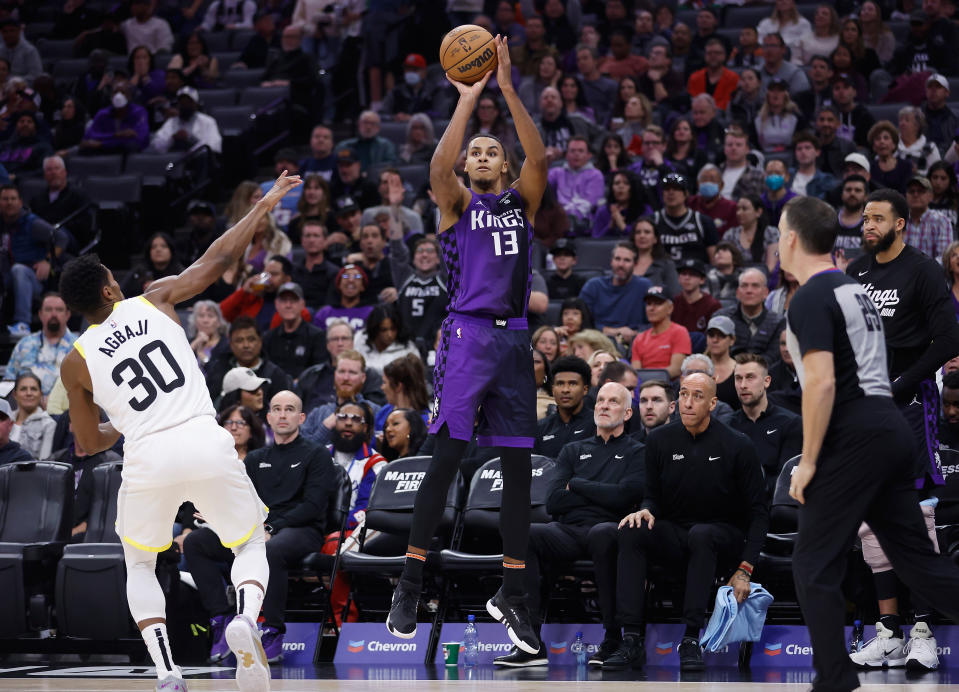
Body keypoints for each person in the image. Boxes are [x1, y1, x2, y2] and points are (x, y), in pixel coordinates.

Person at [57, 172, 301, 690]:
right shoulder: (156, 298)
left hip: (146, 455)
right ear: (108, 288)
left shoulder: (74, 365)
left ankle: (168, 673)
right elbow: (217, 258)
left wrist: (125, 426)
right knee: (250, 542)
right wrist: (261, 206)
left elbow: (87, 444)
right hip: (202, 438)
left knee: (141, 566)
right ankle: (245, 619)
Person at [386, 36, 547, 657]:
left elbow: (538, 154)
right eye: (474, 150)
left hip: (513, 344)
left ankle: (513, 593)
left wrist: (507, 89)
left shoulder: (521, 201)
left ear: (502, 168)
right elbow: (436, 169)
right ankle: (411, 577)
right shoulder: (455, 204)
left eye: (490, 150)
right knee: (447, 456)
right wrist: (469, 98)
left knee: (513, 473)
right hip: (468, 335)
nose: (480, 153)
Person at [779, 194, 959, 692]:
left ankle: (835, 681)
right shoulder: (854, 287)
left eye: (778, 232)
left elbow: (821, 384)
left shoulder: (813, 296)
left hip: (856, 431)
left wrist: (808, 461)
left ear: (791, 239)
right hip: (891, 427)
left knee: (812, 562)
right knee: (919, 564)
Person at [846, 188, 959, 671]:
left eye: (877, 219)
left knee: (917, 516)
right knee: (873, 517)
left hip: (911, 403)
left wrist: (901, 383)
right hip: (864, 409)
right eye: (864, 218)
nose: (867, 225)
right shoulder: (856, 273)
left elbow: (951, 337)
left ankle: (922, 629)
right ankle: (889, 631)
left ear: (901, 225)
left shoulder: (923, 270)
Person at [608, 372, 768, 671]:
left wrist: (745, 568)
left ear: (713, 403)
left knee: (703, 534)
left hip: (723, 535)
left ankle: (692, 637)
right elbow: (652, 496)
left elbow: (759, 512)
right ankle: (630, 638)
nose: (688, 402)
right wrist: (645, 509)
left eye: (697, 396)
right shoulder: (659, 440)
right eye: (683, 394)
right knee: (631, 531)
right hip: (676, 531)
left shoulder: (737, 444)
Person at [184, 390, 337, 664]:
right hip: (258, 529)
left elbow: (313, 507)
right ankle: (222, 617)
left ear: (301, 417)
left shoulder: (316, 455)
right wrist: (219, 515)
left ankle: (274, 630)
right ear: (268, 417)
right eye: (276, 408)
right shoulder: (255, 459)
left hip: (302, 530)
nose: (282, 414)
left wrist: (272, 528)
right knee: (197, 542)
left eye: (289, 409)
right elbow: (240, 500)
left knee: (270, 550)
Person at [510, 382, 645, 668]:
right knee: (527, 533)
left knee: (602, 533)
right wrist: (602, 493)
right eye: (601, 401)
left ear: (628, 412)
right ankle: (530, 640)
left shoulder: (638, 451)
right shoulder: (573, 450)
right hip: (568, 531)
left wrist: (579, 485)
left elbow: (623, 498)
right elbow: (554, 502)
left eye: (613, 402)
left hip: (611, 528)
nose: (604, 406)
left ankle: (613, 637)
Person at [728, 353, 802, 499]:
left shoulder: (790, 423)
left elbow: (785, 479)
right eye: (738, 378)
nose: (743, 385)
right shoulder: (726, 426)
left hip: (773, 506)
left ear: (766, 381)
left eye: (750, 377)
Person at [204, 315, 293, 407]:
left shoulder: (276, 375)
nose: (246, 345)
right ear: (231, 344)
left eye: (251, 339)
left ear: (260, 341)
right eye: (239, 340)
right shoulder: (218, 371)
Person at [300, 349, 382, 446]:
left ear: (363, 378)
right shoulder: (317, 413)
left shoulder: (376, 412)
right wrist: (325, 428)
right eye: (342, 371)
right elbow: (302, 452)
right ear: (335, 375)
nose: (346, 378)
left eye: (352, 372)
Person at [4, 293, 76, 395]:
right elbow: (8, 383)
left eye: (59, 310)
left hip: (66, 408)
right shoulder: (24, 344)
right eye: (48, 309)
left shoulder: (79, 347)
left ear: (67, 315)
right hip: (27, 407)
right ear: (40, 314)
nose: (54, 314)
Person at [580, 242, 651, 345]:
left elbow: (654, 321)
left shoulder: (644, 286)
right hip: (597, 342)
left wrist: (635, 334)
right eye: (617, 259)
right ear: (611, 262)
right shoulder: (593, 286)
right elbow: (581, 321)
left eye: (626, 260)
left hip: (634, 343)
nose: (621, 265)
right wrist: (614, 332)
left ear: (635, 264)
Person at [261, 282, 328, 381]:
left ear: (302, 304)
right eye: (284, 300)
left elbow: (319, 371)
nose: (288, 305)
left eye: (293, 300)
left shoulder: (317, 336)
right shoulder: (268, 338)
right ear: (276, 304)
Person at [533, 355, 595, 460]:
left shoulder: (597, 425)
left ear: (585, 389)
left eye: (572, 384)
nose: (565, 390)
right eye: (560, 384)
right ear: (553, 390)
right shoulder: (540, 428)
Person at [721, 268, 785, 364]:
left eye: (755, 286)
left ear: (766, 293)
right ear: (737, 293)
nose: (749, 290)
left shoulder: (778, 322)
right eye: (744, 286)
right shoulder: (722, 318)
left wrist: (750, 369)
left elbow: (774, 356)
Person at [652, 172, 719, 264]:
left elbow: (714, 259)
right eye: (667, 189)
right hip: (661, 275)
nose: (671, 192)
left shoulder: (703, 221)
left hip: (696, 274)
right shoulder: (652, 221)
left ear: (686, 193)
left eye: (676, 188)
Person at [630, 286, 691, 379]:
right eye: (649, 304)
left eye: (658, 304)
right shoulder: (639, 339)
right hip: (643, 387)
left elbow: (676, 369)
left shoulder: (680, 332)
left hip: (669, 386)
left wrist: (649, 379)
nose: (651, 308)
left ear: (670, 308)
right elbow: (635, 372)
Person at [547, 136, 604, 233]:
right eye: (572, 151)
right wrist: (545, 164)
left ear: (589, 155)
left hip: (584, 223)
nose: (576, 154)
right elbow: (541, 189)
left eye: (581, 151)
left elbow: (589, 203)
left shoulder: (596, 175)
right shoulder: (556, 173)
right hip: (557, 222)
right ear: (566, 155)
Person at [151, 86, 221, 154]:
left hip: (198, 161)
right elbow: (156, 147)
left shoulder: (208, 122)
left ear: (196, 104)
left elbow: (215, 146)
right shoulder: (171, 122)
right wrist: (172, 139)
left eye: (188, 102)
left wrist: (190, 140)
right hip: (174, 163)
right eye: (182, 102)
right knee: (168, 165)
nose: (185, 105)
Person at [724, 195, 781, 275]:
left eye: (744, 209)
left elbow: (771, 266)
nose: (739, 213)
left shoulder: (771, 233)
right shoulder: (730, 234)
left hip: (763, 278)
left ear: (758, 212)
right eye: (738, 209)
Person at [904, 175, 953, 262]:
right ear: (906, 196)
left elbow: (944, 258)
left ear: (931, 196)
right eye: (911, 191)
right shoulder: (898, 220)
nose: (915, 194)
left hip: (931, 273)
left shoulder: (942, 221)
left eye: (921, 191)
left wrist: (924, 272)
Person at [9, 372, 56, 461]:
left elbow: (44, 463)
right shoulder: (5, 420)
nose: (29, 393)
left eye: (33, 389)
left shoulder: (49, 424)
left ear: (40, 394)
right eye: (23, 389)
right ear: (14, 394)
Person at [687, 39, 738, 112]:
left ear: (724, 55)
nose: (713, 56)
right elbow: (693, 101)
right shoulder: (694, 78)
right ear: (705, 56)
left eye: (717, 53)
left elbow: (727, 103)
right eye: (709, 53)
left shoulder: (733, 78)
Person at [704, 315, 740, 410]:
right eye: (711, 335)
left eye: (721, 335)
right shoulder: (696, 367)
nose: (715, 340)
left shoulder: (740, 370)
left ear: (732, 340)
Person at [720, 126, 765, 201]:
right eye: (729, 145)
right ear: (724, 148)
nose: (733, 148)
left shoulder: (758, 176)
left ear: (747, 149)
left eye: (738, 145)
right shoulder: (715, 173)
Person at [631, 379, 676, 443]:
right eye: (643, 401)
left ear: (671, 407)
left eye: (657, 400)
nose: (649, 406)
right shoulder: (629, 444)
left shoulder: (685, 442)